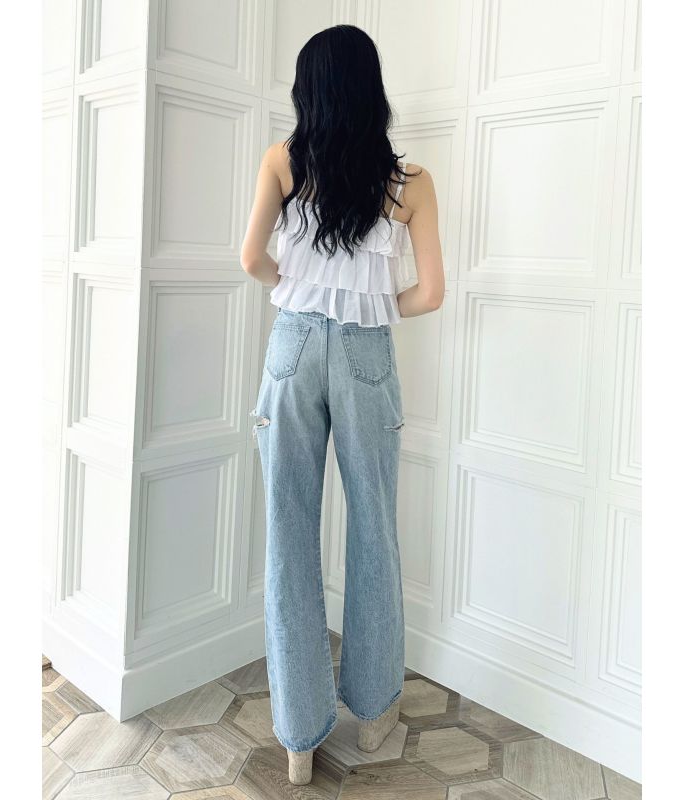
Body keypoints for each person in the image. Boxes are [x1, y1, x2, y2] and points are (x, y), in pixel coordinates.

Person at [240, 23, 444, 785]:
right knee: (374, 527)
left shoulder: (281, 162)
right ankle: (375, 707)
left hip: (291, 350)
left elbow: (251, 259)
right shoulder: (411, 182)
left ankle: (298, 738)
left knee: (287, 530)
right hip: (366, 355)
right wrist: (368, 304)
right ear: (370, 89)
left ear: (310, 91)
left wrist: (300, 290)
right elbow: (430, 293)